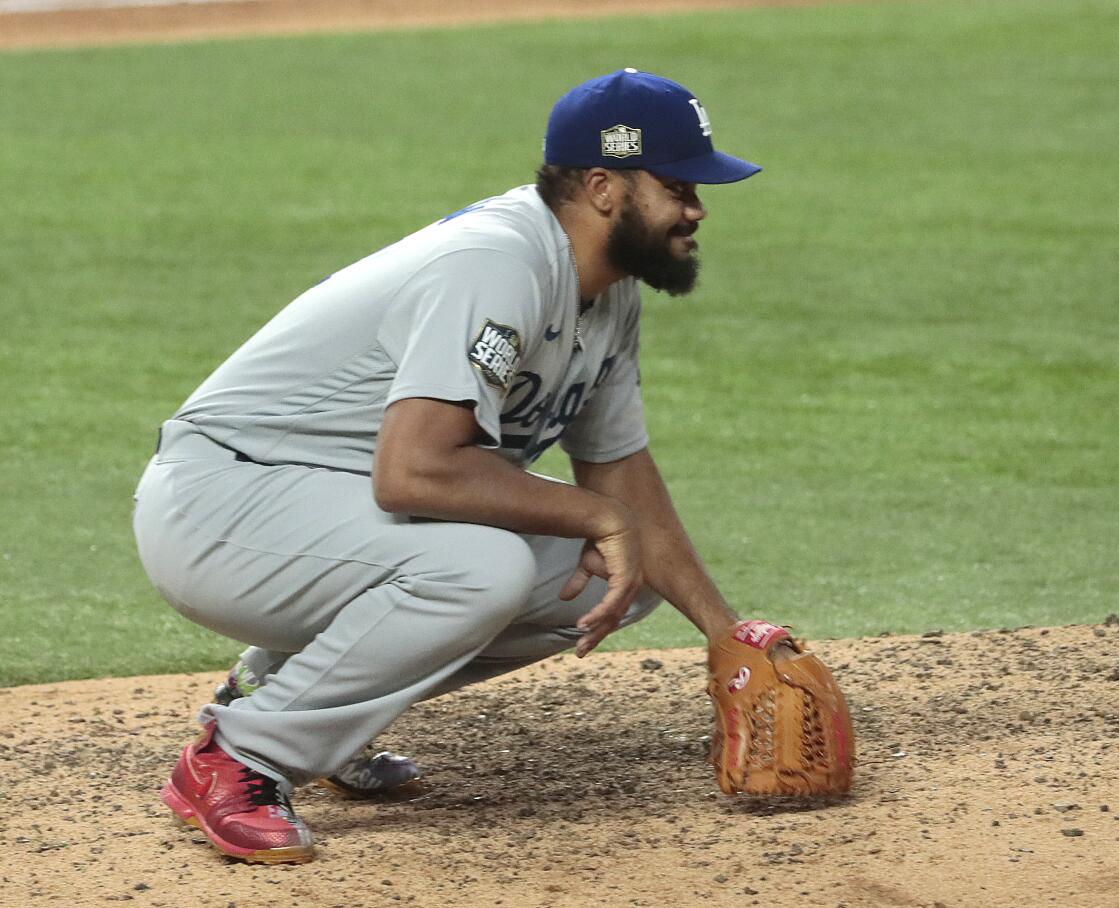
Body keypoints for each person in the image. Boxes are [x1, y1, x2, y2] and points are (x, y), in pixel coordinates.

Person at [133, 67, 761, 864]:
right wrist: (600, 515)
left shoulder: (607, 291)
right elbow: (415, 473)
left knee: (614, 576)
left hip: (318, 506)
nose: (697, 209)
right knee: (484, 565)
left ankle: (278, 691)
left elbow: (618, 469)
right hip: (219, 501)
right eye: (679, 186)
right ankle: (239, 757)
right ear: (604, 187)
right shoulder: (497, 264)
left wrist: (726, 636)